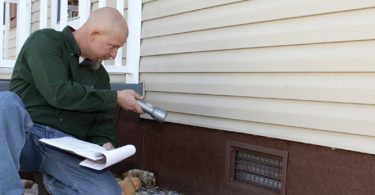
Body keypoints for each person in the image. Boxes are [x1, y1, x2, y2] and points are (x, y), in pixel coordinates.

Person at [0, 7, 144, 195]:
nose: (114, 55)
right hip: (26, 139)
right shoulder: (45, 42)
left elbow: (102, 124)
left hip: (66, 150)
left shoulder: (100, 76)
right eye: (113, 46)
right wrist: (115, 97)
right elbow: (58, 93)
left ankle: (56, 184)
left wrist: (105, 145)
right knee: (5, 102)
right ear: (94, 34)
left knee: (108, 192)